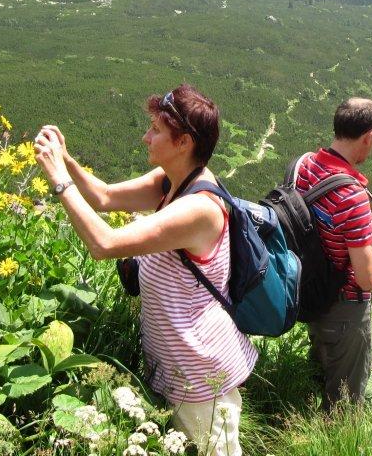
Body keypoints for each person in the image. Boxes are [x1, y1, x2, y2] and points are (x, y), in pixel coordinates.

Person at [34, 84, 256, 456]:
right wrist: (67, 159)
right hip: (174, 363)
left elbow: (104, 244)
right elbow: (104, 197)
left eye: (156, 130)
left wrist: (59, 178)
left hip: (200, 375)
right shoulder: (172, 180)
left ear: (183, 142)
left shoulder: (199, 207)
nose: (146, 137)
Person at [294, 97, 372, 410]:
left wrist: (365, 224)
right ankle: (337, 432)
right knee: (345, 401)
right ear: (369, 137)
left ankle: (305, 414)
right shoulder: (351, 196)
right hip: (344, 307)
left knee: (320, 370)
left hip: (311, 292)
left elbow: (320, 218)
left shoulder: (305, 164)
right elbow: (367, 277)